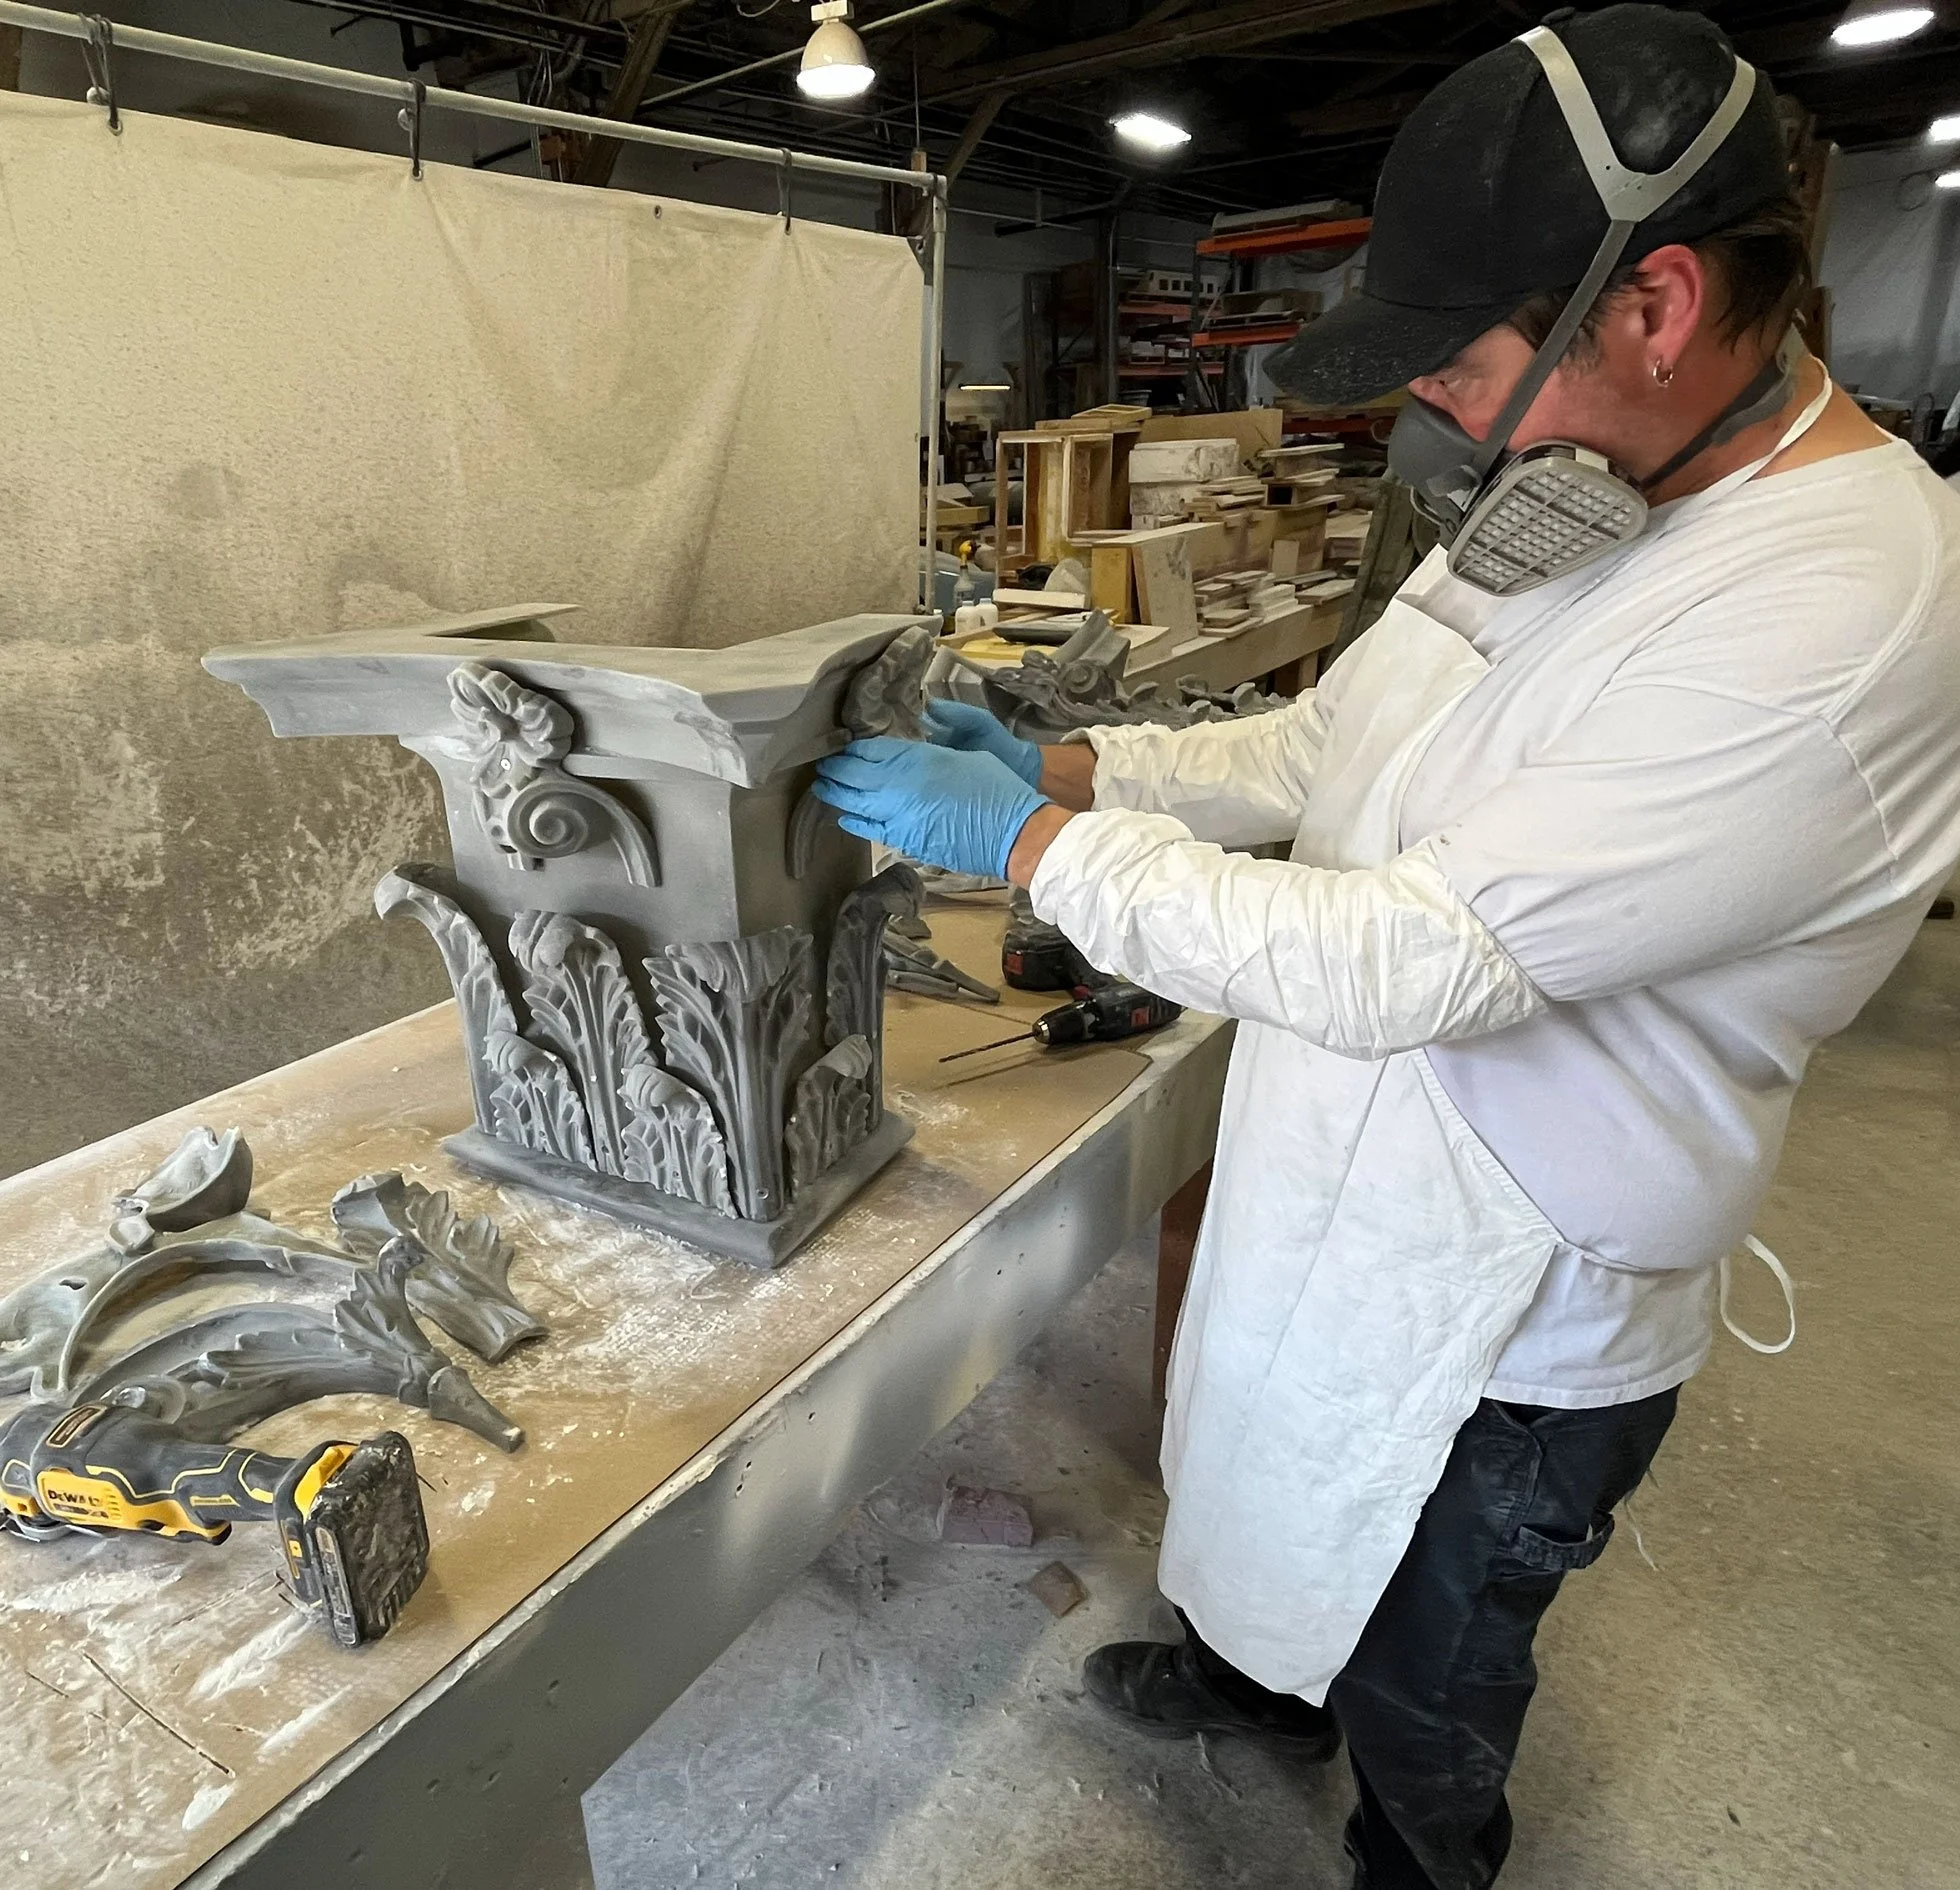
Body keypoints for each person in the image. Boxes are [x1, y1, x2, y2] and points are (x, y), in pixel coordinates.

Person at [814, 8, 1960, 1885]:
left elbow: (1415, 959)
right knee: (1259, 1463)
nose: (1443, 419)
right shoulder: (1589, 487)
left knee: (1438, 1649)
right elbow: (1332, 740)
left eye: (1462, 366)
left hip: (1515, 1271)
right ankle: (1257, 1679)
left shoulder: (1835, 612)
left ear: (1654, 305)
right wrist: (1079, 764)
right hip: (1350, 1148)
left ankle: (1421, 1855)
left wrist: (1031, 848)